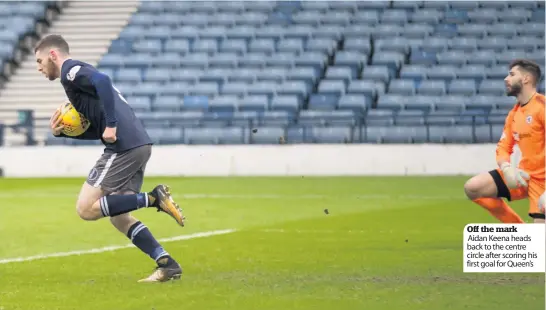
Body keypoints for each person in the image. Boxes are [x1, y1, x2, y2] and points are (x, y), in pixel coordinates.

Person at [35, 34, 186, 282]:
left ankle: (153, 198)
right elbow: (98, 130)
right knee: (119, 216)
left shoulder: (70, 71)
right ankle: (167, 264)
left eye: (40, 61)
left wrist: (113, 126)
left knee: (85, 208)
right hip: (138, 144)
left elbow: (104, 81)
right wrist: (63, 134)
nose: (39, 68)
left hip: (124, 147)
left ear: (53, 55)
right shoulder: (79, 78)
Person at [464, 59, 545, 224]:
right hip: (524, 176)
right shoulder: (513, 114)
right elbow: (503, 147)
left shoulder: (542, 107)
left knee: (539, 245)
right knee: (473, 188)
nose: (506, 79)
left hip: (544, 180)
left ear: (526, 79)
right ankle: (519, 229)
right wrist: (507, 168)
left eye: (512, 74)